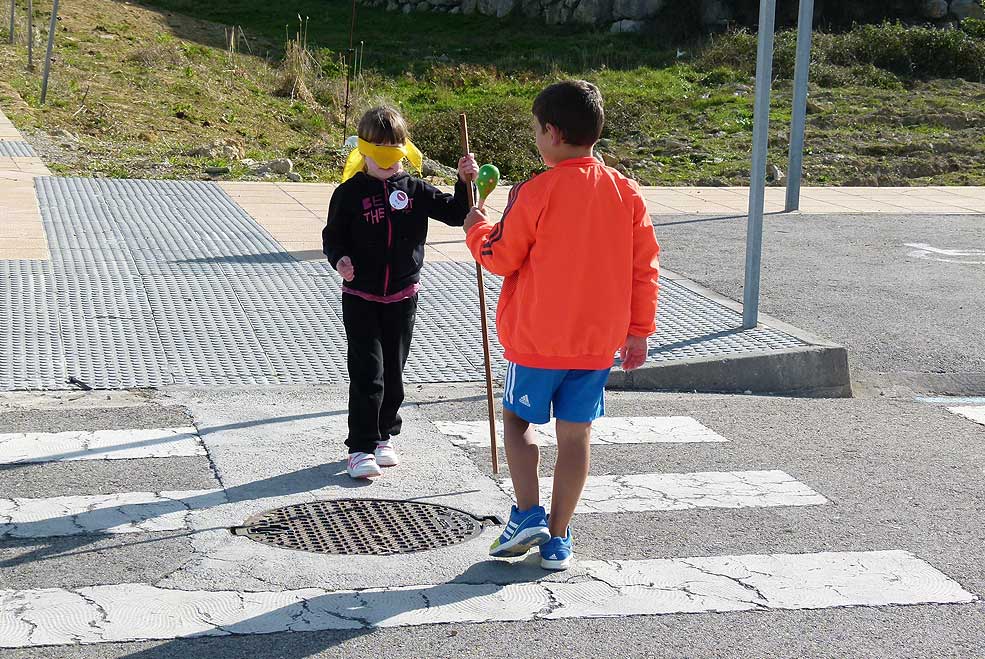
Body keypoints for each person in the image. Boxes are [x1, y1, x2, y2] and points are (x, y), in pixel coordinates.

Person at [463, 80, 660, 570]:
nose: (535, 137)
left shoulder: (535, 190)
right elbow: (645, 267)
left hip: (535, 339)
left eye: (535, 129)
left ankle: (526, 513)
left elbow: (501, 255)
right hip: (595, 344)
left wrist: (475, 229)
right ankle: (557, 537)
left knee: (517, 421)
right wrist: (639, 332)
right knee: (577, 437)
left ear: (551, 132)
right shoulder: (626, 192)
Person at [324, 105, 478, 479]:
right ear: (363, 152)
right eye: (381, 156)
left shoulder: (414, 190)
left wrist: (464, 181)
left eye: (396, 154)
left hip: (403, 296)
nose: (390, 164)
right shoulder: (348, 193)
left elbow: (458, 212)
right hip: (360, 297)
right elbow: (333, 236)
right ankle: (360, 447)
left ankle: (383, 436)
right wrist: (340, 259)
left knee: (394, 372)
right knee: (368, 373)